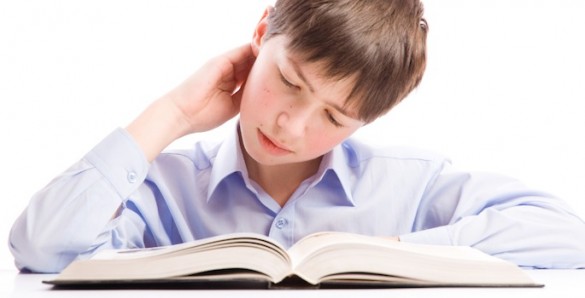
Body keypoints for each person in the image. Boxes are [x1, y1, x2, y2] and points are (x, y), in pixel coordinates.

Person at [9, 0, 585, 273]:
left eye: (335, 118)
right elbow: (41, 247)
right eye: (287, 81)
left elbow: (566, 236)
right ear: (260, 35)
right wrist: (174, 112)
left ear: (366, 123)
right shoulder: (166, 188)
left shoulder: (410, 185)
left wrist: (382, 255)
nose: (291, 126)